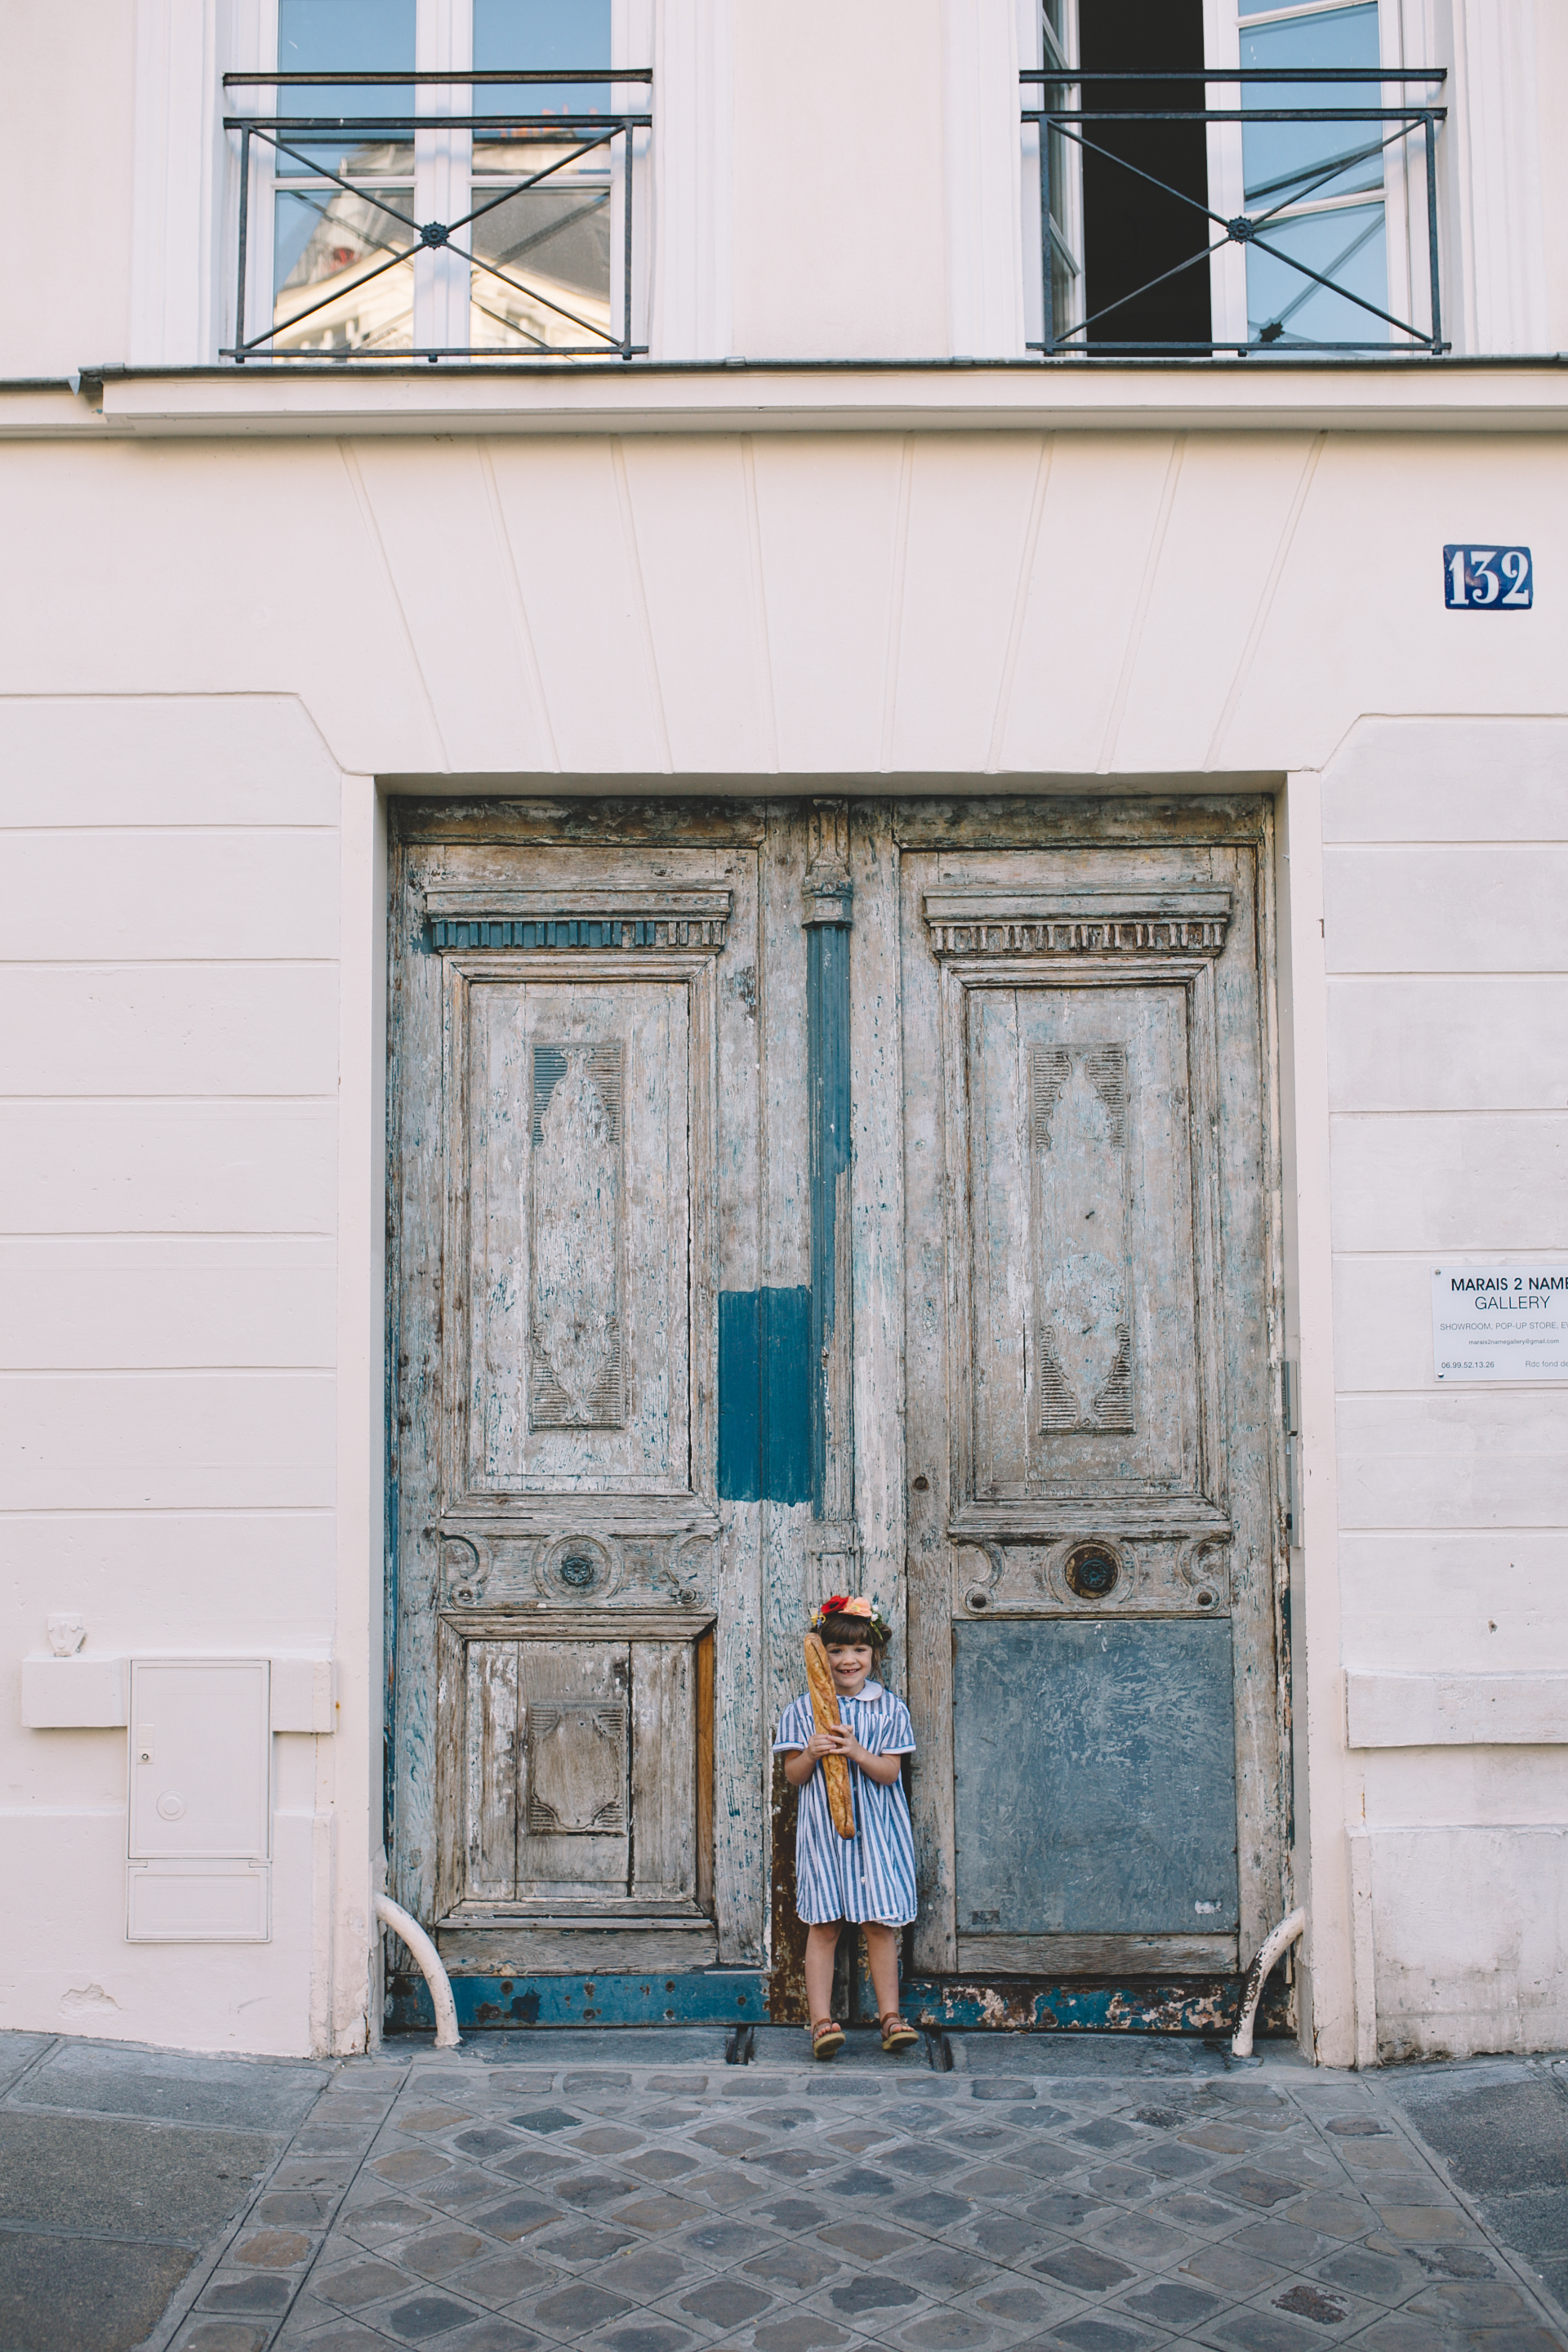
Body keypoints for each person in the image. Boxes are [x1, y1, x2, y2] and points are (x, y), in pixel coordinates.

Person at [774, 1594, 921, 2059]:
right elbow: (793, 1777)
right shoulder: (803, 1710)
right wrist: (813, 1753)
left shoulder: (889, 1709)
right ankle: (821, 2020)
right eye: (835, 1651)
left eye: (857, 1650)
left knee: (879, 1925)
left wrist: (856, 1751)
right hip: (824, 1837)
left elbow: (889, 1773)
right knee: (825, 1926)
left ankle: (890, 2017)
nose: (847, 1660)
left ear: (873, 1653)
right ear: (822, 1655)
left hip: (877, 1834)